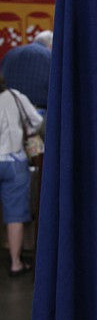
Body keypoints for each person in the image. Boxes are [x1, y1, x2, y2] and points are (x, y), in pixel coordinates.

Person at [0, 73, 43, 276]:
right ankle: (16, 263)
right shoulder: (16, 96)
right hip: (15, 161)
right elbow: (35, 121)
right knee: (15, 214)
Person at [0, 30, 53, 113]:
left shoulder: (11, 53)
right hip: (38, 112)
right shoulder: (49, 56)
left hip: (7, 110)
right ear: (50, 45)